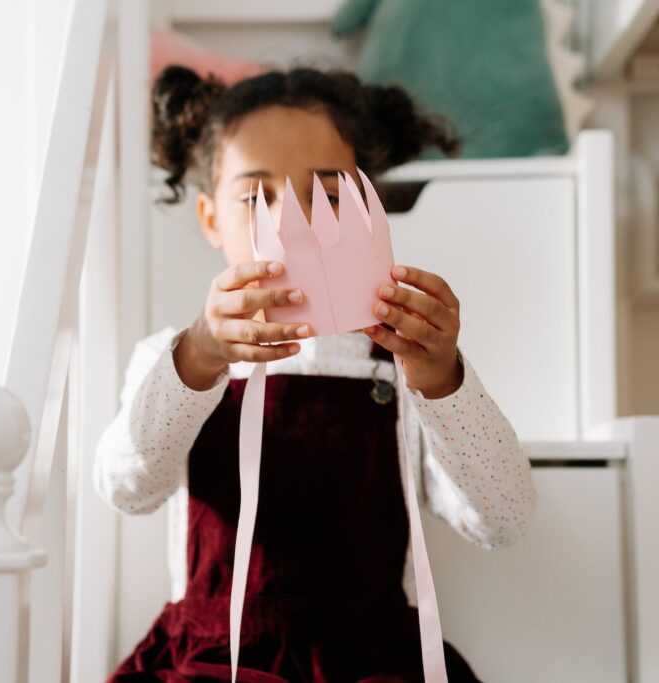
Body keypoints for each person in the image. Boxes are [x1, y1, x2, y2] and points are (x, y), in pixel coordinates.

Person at [93, 64, 537, 682]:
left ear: (369, 211)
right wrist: (196, 357)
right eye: (256, 197)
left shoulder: (403, 363)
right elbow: (126, 488)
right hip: (219, 659)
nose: (290, 224)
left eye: (328, 197)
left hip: (374, 661)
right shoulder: (173, 358)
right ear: (211, 219)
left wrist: (441, 380)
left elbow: (503, 517)